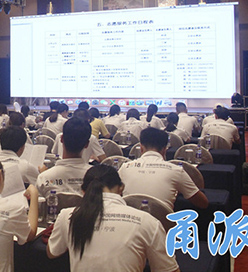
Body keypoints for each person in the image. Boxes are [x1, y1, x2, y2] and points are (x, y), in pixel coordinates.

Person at [47, 165, 180, 272]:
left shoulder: (68, 216)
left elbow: (52, 253)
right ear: (121, 188)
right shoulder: (147, 221)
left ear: (83, 191)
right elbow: (168, 269)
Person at [118, 127, 209, 210]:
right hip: (163, 222)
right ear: (165, 150)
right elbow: (203, 203)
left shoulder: (125, 167)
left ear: (141, 148)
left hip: (129, 220)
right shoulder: (176, 170)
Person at [37, 117, 92, 197]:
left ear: (61, 139)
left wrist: (44, 174)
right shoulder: (97, 177)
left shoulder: (44, 178)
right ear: (87, 144)